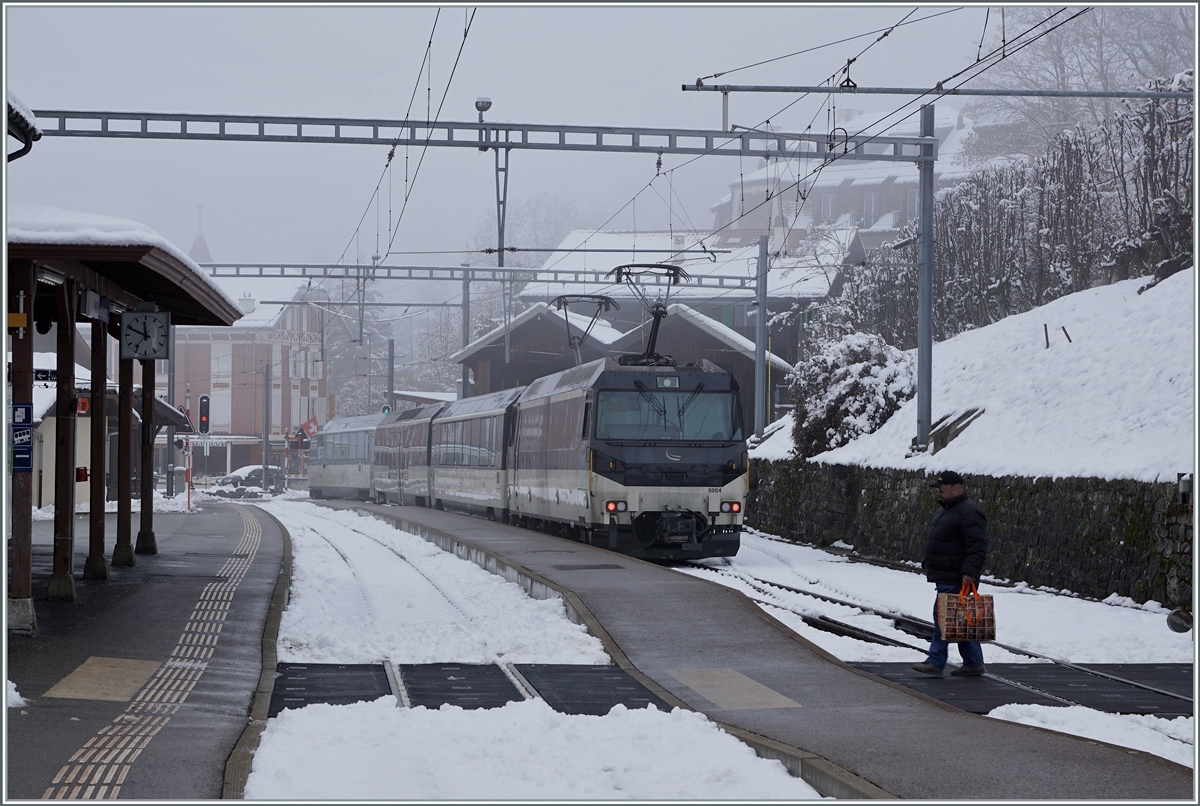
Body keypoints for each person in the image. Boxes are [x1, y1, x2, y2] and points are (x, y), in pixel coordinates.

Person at [911, 470, 988, 677]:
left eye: (942, 489)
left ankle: (936, 660)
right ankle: (973, 662)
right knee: (957, 617)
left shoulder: (969, 512)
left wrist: (970, 572)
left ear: (955, 490)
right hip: (947, 573)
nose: (939, 493)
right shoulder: (950, 510)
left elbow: (977, 546)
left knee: (943, 616)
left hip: (956, 575)